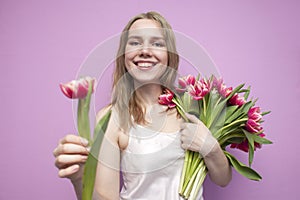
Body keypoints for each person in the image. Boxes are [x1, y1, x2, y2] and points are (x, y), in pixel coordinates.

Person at [53, 11, 232, 200]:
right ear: (123, 55)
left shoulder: (194, 107)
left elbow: (222, 179)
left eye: (157, 43)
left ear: (170, 56)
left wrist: (210, 148)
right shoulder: (112, 118)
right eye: (135, 42)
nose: (145, 50)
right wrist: (80, 178)